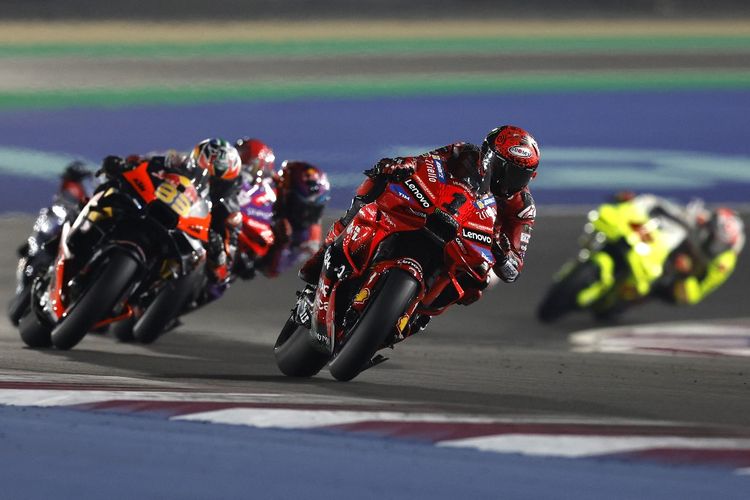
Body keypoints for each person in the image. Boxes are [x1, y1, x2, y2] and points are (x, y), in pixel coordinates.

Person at [298, 125, 540, 307]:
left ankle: (416, 316)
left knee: (476, 286)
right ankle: (330, 248)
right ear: (487, 156)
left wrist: (501, 253)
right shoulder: (463, 154)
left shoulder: (522, 208)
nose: (507, 180)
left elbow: (513, 270)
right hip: (435, 211)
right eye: (503, 168)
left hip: (469, 244)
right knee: (376, 185)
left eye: (520, 175)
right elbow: (424, 162)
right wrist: (400, 167)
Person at [613, 192, 745, 306]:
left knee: (686, 292)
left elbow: (697, 292)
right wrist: (637, 202)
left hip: (690, 275)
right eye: (712, 237)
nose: (714, 244)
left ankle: (646, 292)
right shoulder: (704, 219)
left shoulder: (724, 263)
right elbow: (676, 210)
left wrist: (685, 274)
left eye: (719, 243)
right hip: (677, 245)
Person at [260, 160, 330, 277]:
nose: (306, 214)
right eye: (301, 206)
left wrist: (282, 243)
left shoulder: (309, 241)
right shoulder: (273, 186)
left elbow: (272, 271)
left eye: (314, 208)